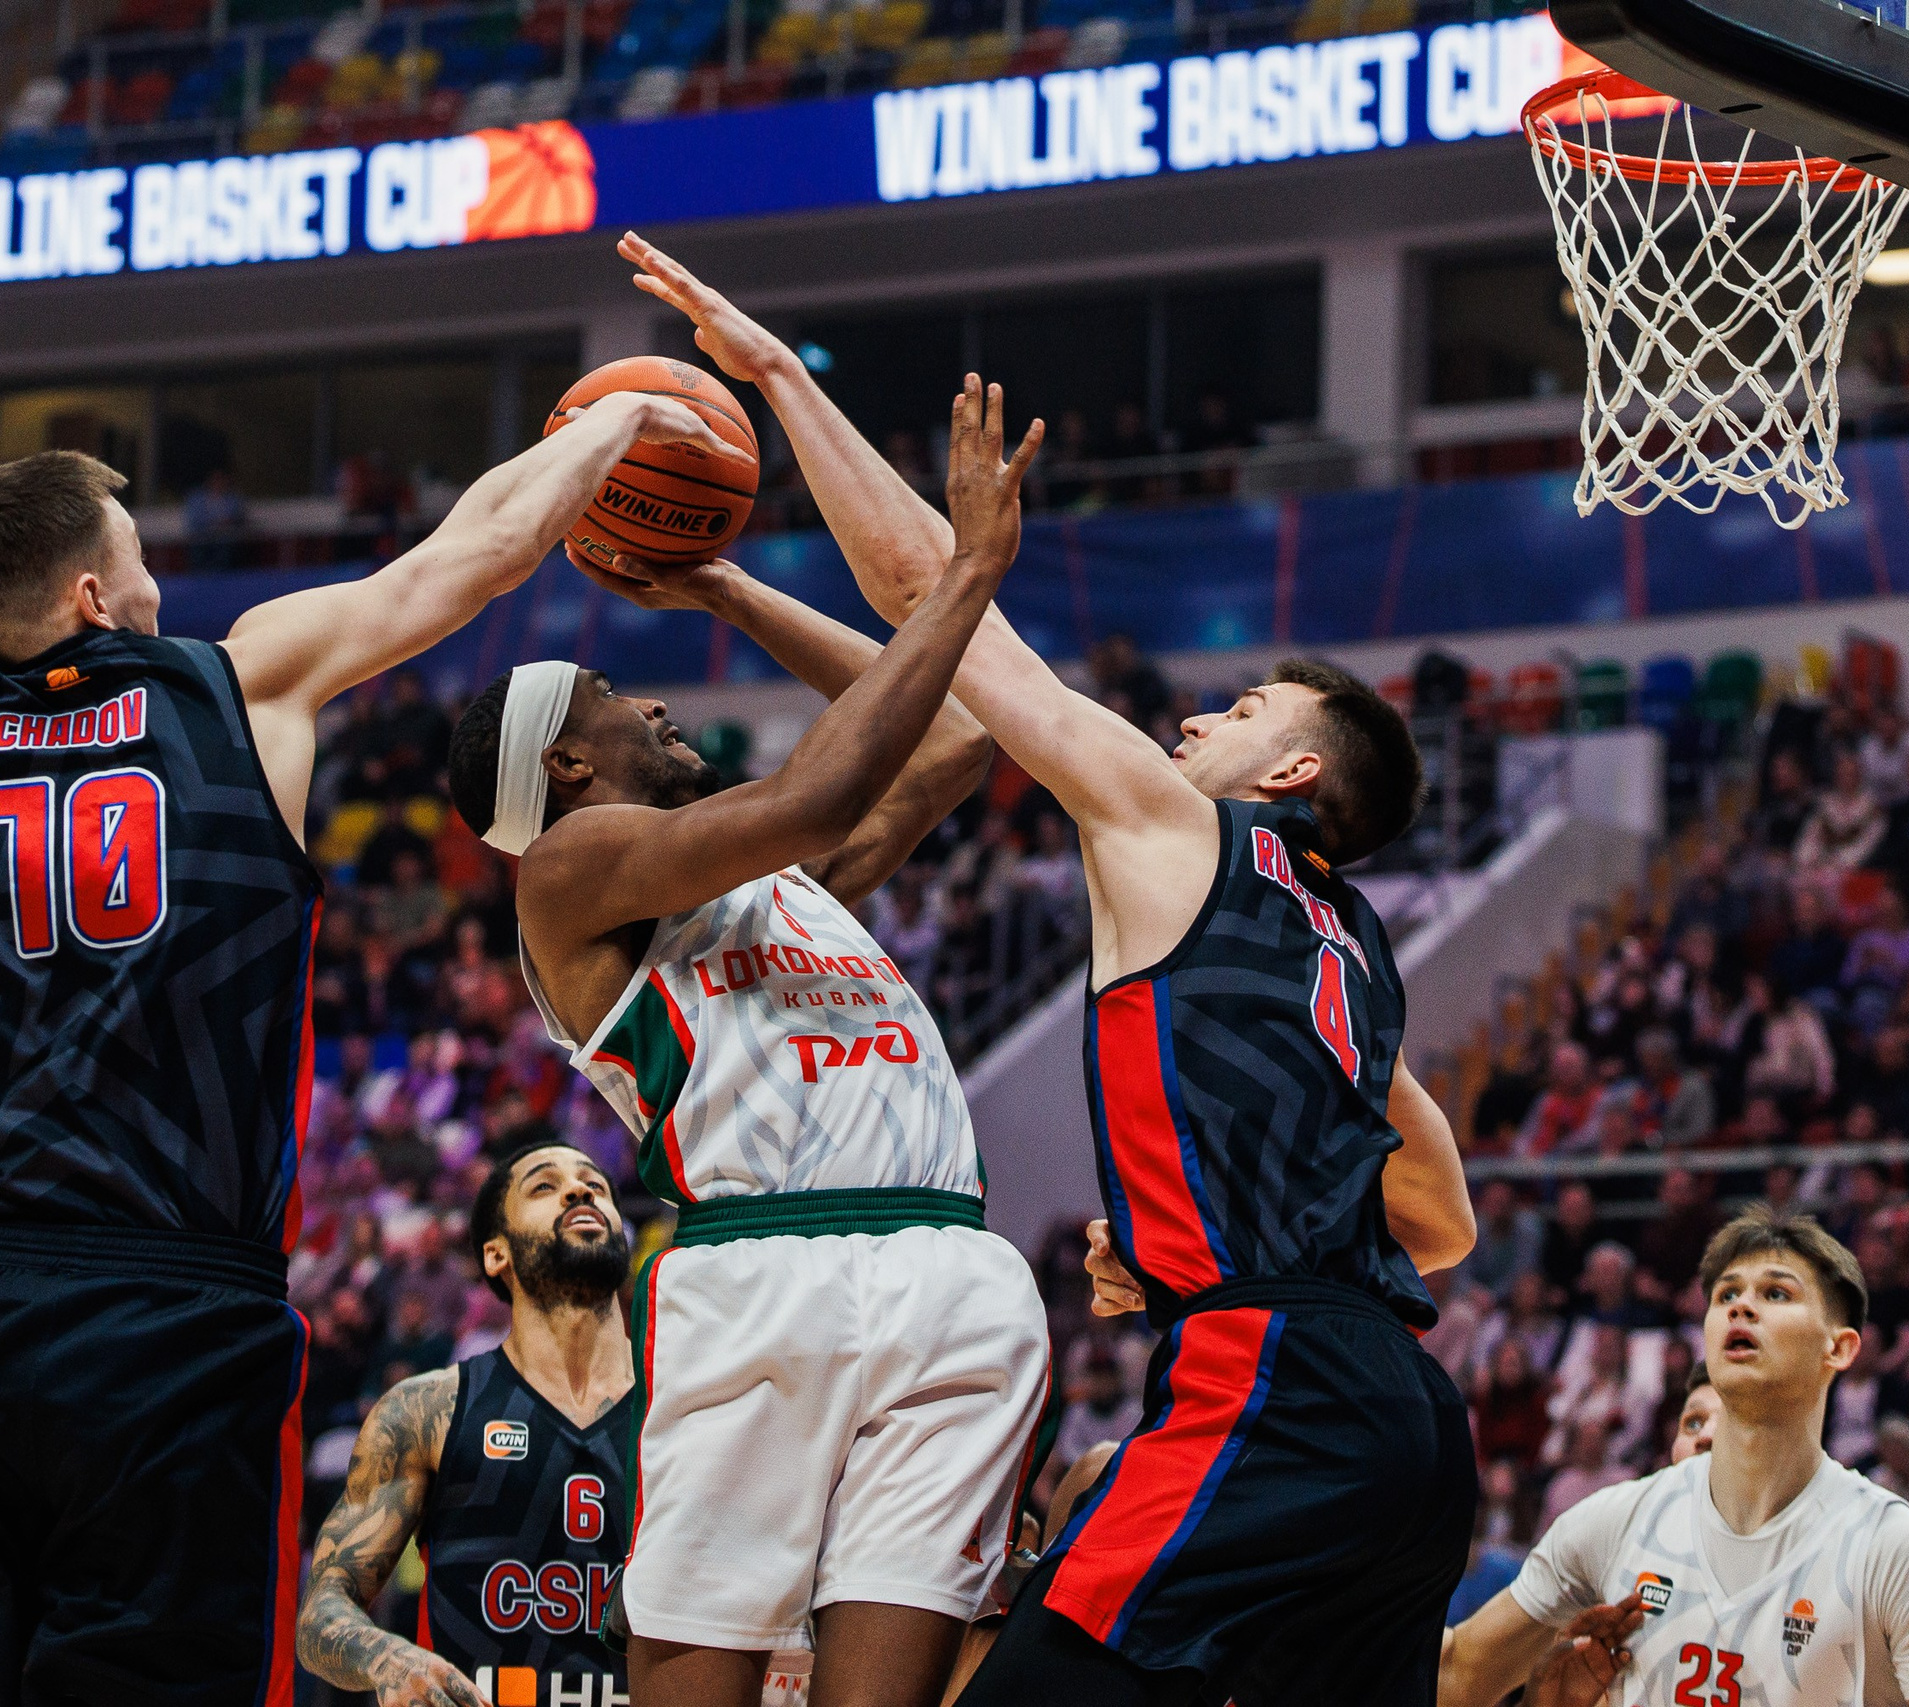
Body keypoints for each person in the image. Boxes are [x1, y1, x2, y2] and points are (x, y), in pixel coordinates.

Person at [0, 386, 743, 1705]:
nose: (153, 569)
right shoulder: (244, 689)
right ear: (93, 592)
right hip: (178, 1311)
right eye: (133, 545)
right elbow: (472, 554)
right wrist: (627, 414)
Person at [644, 231, 1473, 1702]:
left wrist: (774, 375)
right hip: (1410, 1417)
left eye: (1238, 708)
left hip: (1269, 1382)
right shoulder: (1356, 941)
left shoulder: (1183, 830)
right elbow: (1443, 1214)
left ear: (1287, 768)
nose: (1193, 722)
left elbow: (951, 621)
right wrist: (1197, 1232)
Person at [448, 320, 1049, 1707]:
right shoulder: (569, 870)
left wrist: (725, 585)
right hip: (763, 1264)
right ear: (563, 759)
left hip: (946, 1262)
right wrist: (966, 572)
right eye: (616, 696)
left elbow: (954, 741)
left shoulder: (778, 882)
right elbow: (816, 791)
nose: (653, 698)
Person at [1438, 1207, 1909, 1707]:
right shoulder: (1610, 1524)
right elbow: (1457, 1678)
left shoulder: (1896, 1551)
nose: (1741, 1306)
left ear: (1838, 1347)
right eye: (1726, 1295)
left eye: (1777, 1293)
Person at [298, 1143, 636, 1707]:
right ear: (495, 1254)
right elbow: (323, 1610)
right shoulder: (427, 1410)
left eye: (595, 1184)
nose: (580, 1190)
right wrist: (387, 1657)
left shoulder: (683, 1401)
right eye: (544, 1186)